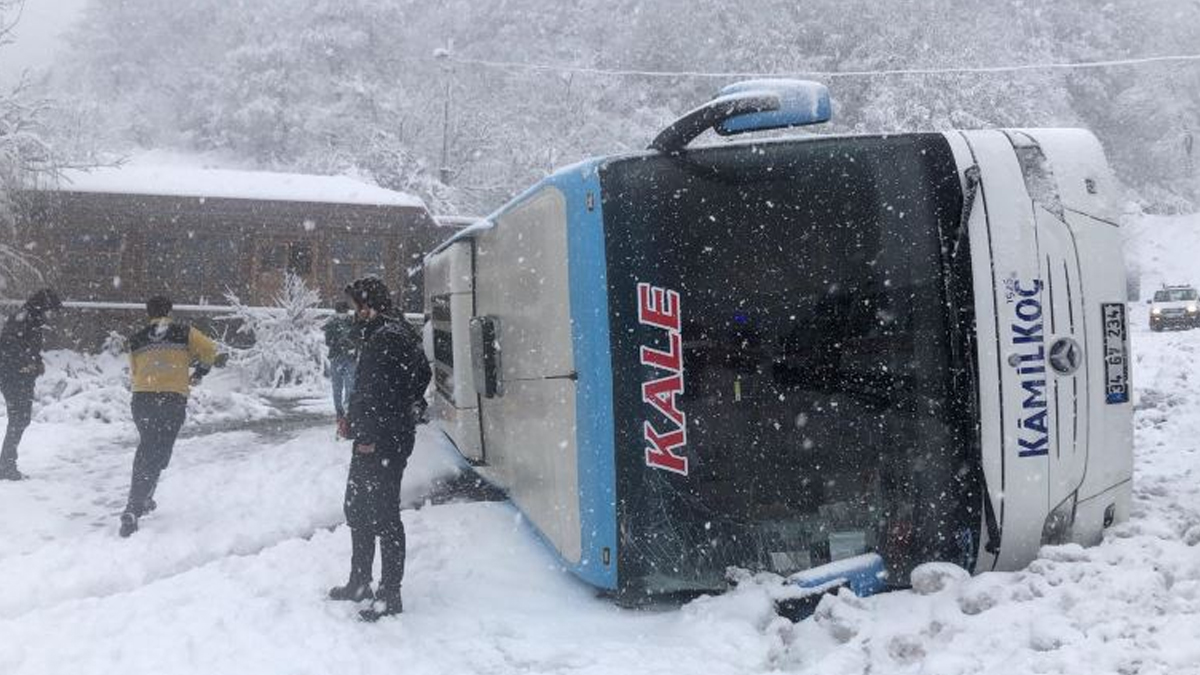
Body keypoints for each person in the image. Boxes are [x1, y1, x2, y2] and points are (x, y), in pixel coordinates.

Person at [329, 276, 430, 621]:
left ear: (368, 305)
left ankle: (390, 594)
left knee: (384, 514)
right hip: (381, 435)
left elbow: (377, 393)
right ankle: (360, 581)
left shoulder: (388, 337)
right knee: (358, 508)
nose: (356, 314)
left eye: (358, 307)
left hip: (382, 439)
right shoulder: (393, 332)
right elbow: (421, 377)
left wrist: (371, 432)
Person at [119, 295, 218, 537]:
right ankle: (135, 505)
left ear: (148, 313)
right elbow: (210, 349)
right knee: (159, 452)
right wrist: (199, 371)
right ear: (169, 312)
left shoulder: (136, 339)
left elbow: (135, 371)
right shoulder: (184, 332)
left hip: (142, 399)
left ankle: (141, 499)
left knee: (148, 449)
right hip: (172, 399)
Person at [0, 289, 63, 480]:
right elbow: (9, 346)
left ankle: (6, 463)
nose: (51, 315)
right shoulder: (22, 319)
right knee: (19, 418)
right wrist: (28, 362)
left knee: (20, 419)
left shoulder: (32, 321)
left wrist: (36, 363)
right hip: (12, 377)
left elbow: (25, 348)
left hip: (20, 377)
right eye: (50, 310)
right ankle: (6, 465)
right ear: (42, 306)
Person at [324, 300, 358, 438]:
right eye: (341, 312)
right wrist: (341, 343)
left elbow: (357, 338)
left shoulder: (351, 322)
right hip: (338, 357)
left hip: (348, 358)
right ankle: (341, 414)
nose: (343, 314)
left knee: (348, 387)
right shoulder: (332, 323)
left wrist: (350, 346)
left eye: (344, 312)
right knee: (339, 388)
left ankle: (346, 414)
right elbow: (328, 341)